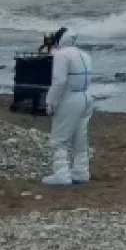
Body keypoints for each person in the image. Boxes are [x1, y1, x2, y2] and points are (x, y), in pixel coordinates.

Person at [43, 28, 94, 186]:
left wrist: (50, 102)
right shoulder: (85, 55)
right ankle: (81, 171)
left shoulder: (62, 55)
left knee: (59, 139)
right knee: (80, 138)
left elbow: (59, 81)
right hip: (86, 97)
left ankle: (61, 173)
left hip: (70, 99)